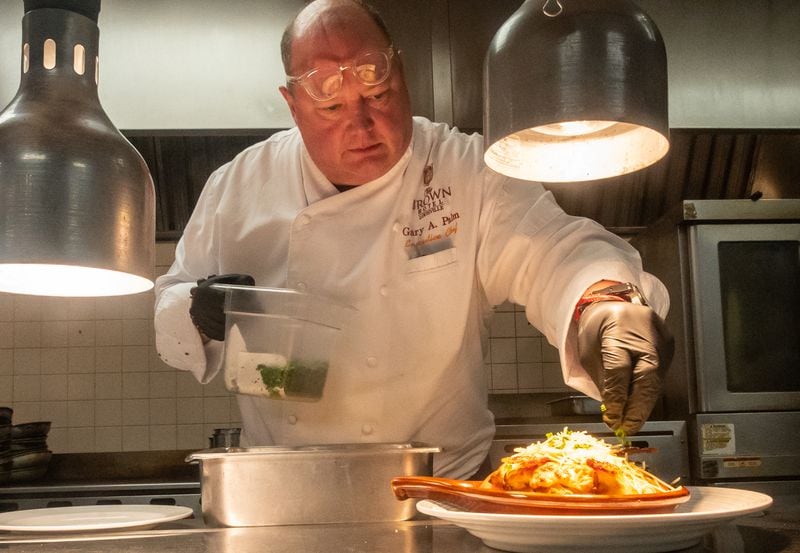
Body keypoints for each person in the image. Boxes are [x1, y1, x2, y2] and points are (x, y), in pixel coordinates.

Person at [154, 0, 673, 479]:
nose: (362, 126)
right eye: (332, 110)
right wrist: (196, 310)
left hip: (439, 492)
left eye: (378, 96)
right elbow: (171, 301)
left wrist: (604, 302)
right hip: (287, 490)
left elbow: (554, 250)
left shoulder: (465, 169)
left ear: (402, 76)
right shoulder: (238, 186)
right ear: (292, 105)